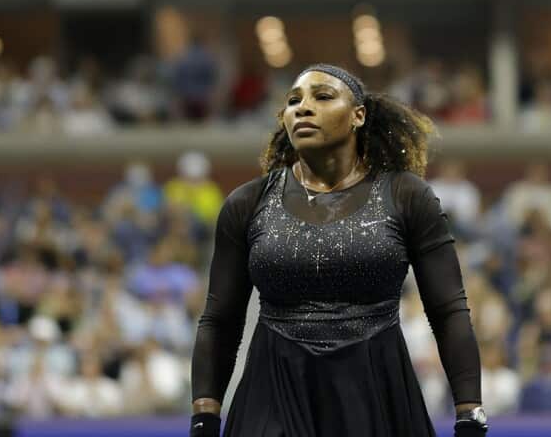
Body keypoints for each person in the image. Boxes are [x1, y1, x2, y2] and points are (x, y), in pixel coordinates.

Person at [190, 64, 486, 436]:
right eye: (293, 101)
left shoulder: (406, 195)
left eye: (323, 97)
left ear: (358, 115)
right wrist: (204, 415)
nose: (302, 108)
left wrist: (470, 411)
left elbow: (447, 311)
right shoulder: (247, 202)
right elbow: (220, 319)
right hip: (272, 395)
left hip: (376, 392)